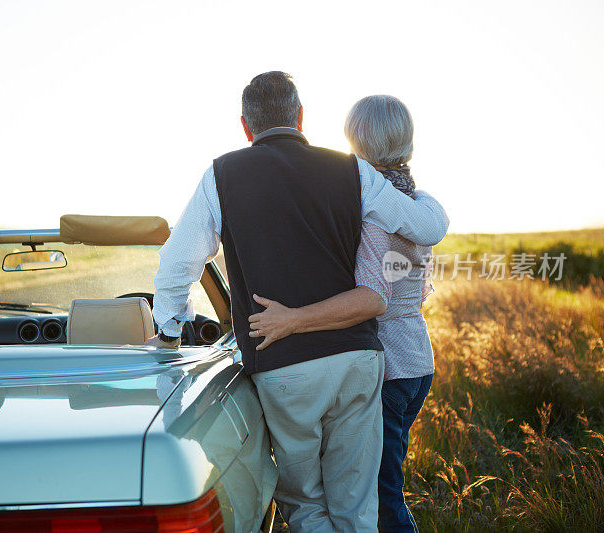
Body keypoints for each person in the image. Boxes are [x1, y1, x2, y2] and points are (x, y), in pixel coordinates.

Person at [146, 72, 448, 532]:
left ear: (246, 127)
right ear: (301, 116)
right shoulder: (354, 171)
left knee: (306, 505)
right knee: (358, 505)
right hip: (358, 360)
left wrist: (170, 329)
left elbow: (177, 262)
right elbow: (422, 227)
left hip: (284, 366)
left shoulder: (221, 176)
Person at [248, 95, 435, 533]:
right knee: (386, 485)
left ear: (356, 140)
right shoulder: (419, 203)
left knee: (381, 496)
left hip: (388, 367)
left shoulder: (375, 212)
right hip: (418, 361)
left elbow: (373, 296)